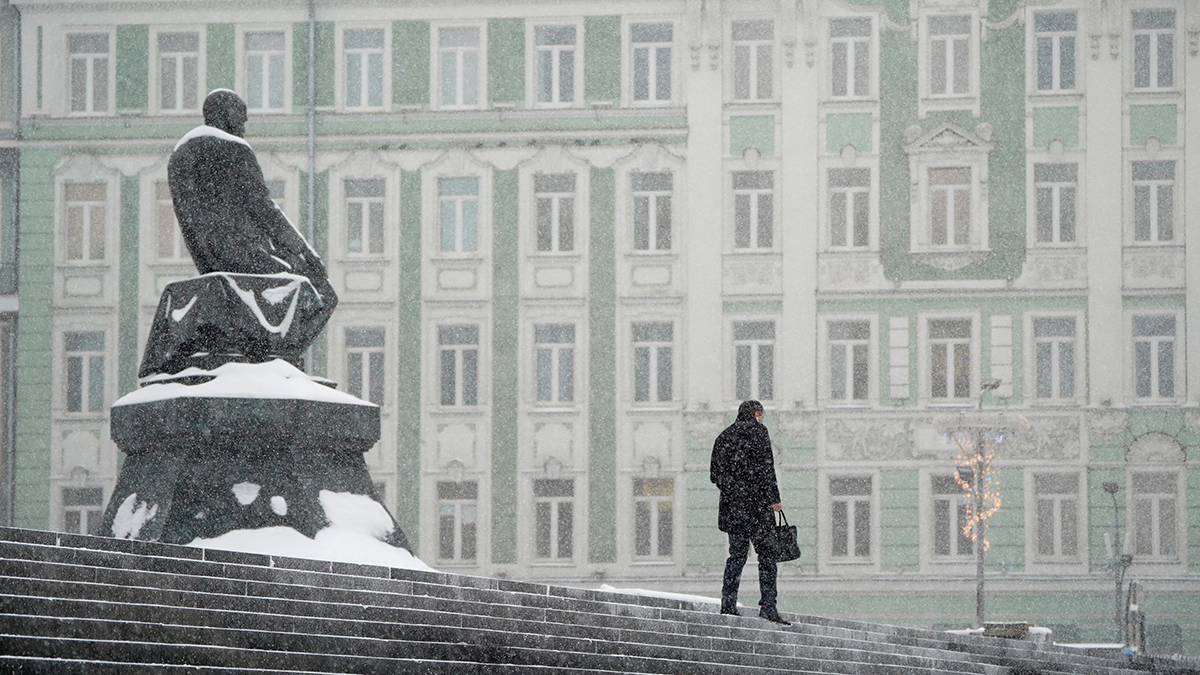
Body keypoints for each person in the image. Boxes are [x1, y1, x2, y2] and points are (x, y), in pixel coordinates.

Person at [710, 400, 790, 625]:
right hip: (758, 508)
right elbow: (767, 467)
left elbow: (715, 474)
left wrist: (734, 489)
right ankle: (768, 606)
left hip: (734, 509)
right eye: (762, 416)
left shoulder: (724, 437)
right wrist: (774, 499)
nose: (762, 420)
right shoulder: (759, 432)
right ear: (756, 414)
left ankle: (728, 604)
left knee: (736, 556)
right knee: (767, 557)